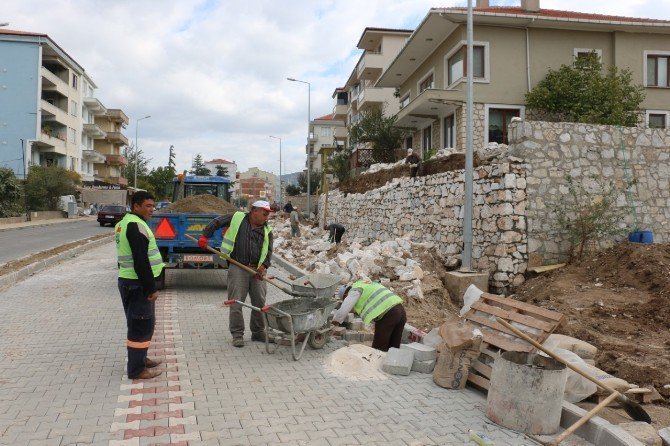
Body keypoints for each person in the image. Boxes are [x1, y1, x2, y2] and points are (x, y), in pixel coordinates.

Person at [199, 200, 274, 347]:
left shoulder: (267, 230)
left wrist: (263, 267)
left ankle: (258, 332)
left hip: (256, 270)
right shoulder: (237, 217)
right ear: (254, 211)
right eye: (264, 214)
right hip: (238, 267)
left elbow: (269, 252)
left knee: (259, 302)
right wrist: (205, 236)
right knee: (236, 302)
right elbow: (217, 221)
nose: (267, 218)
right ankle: (237, 334)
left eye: (268, 215)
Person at [115, 191, 165, 380]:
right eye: (148, 206)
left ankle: (141, 359)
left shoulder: (124, 222)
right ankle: (137, 370)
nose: (152, 209)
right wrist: (150, 288)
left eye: (153, 205)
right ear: (136, 206)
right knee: (141, 326)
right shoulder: (135, 226)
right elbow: (140, 260)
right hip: (137, 284)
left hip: (129, 281)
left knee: (140, 323)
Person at [332, 281, 406, 351]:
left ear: (345, 295)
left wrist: (335, 322)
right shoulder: (364, 284)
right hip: (401, 310)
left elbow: (345, 307)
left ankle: (378, 364)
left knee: (378, 349)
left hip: (389, 314)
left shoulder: (354, 291)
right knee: (394, 347)